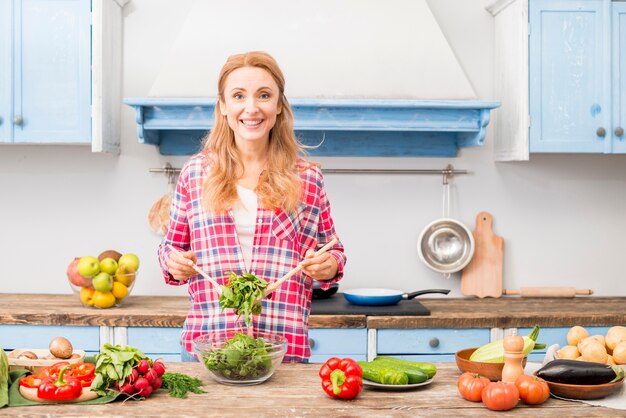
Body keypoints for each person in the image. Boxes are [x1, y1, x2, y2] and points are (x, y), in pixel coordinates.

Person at [158, 51, 346, 363]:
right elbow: (170, 249)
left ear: (279, 107)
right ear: (223, 106)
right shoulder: (195, 174)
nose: (251, 108)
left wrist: (329, 267)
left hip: (282, 353)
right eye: (238, 96)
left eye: (263, 95)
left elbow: (333, 251)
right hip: (208, 350)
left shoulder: (308, 179)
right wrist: (174, 263)